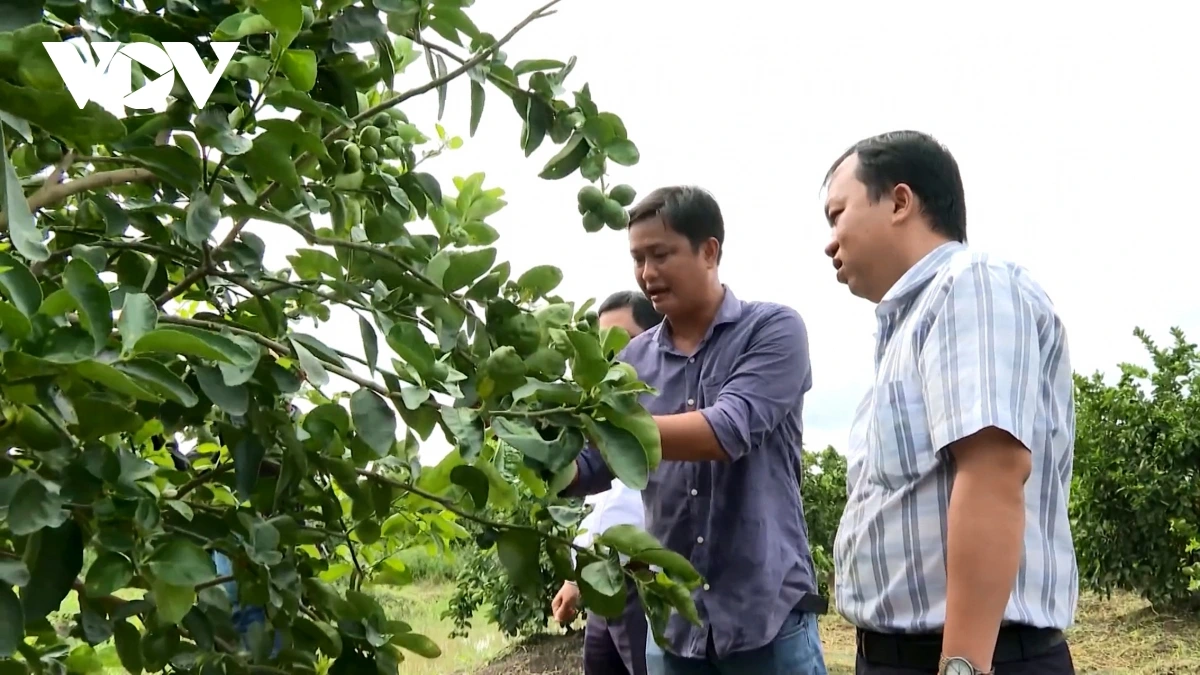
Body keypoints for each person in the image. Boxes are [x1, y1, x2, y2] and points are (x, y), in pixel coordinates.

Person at [822, 130, 1077, 675]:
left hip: (975, 656)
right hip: (901, 655)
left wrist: (962, 664)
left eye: (836, 214)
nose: (829, 241)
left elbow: (992, 470)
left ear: (899, 201)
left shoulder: (970, 285)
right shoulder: (904, 328)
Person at [558, 186, 829, 675]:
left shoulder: (772, 330)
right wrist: (531, 442)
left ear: (710, 251)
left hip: (766, 616)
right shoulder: (631, 363)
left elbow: (727, 429)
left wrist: (599, 421)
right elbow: (595, 466)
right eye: (637, 259)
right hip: (677, 628)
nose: (646, 274)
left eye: (660, 254)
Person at [551, 290, 664, 675]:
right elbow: (603, 502)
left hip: (641, 582)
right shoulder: (606, 414)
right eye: (604, 346)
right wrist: (576, 576)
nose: (613, 356)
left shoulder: (668, 411)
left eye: (625, 341)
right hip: (603, 583)